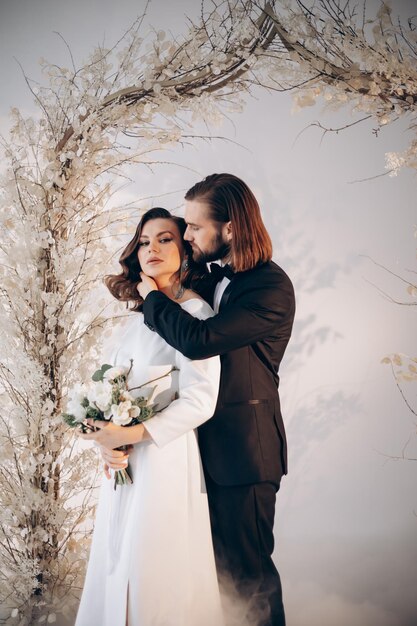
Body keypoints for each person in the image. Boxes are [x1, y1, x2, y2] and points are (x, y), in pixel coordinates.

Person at [137, 174, 295, 626]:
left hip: (244, 455)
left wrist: (152, 298)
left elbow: (199, 339)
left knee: (248, 577)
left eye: (193, 227)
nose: (186, 237)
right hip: (194, 450)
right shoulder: (208, 278)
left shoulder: (270, 288)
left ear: (229, 228)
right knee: (211, 579)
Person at [74, 208, 224, 626]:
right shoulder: (137, 319)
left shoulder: (195, 315)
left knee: (155, 572)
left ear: (185, 251)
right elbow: (105, 392)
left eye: (165, 239)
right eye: (143, 241)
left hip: (165, 464)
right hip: (123, 470)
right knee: (115, 561)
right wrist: (108, 443)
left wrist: (133, 432)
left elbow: (200, 400)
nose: (152, 248)